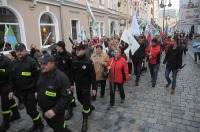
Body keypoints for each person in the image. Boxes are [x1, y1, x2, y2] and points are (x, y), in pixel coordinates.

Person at [8, 43, 44, 132]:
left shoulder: (32, 62)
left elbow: (39, 78)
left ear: (25, 51)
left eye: (21, 50)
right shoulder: (13, 63)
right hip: (21, 91)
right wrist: (11, 90)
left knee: (31, 110)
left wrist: (37, 91)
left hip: (31, 91)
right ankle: (36, 124)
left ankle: (40, 125)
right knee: (29, 110)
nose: (19, 52)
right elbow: (11, 78)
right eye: (17, 51)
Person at [36, 54, 73, 132]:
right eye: (41, 64)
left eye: (45, 64)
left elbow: (67, 97)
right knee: (51, 125)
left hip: (55, 111)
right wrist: (37, 93)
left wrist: (54, 110)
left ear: (52, 63)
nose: (42, 66)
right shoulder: (42, 73)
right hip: (44, 108)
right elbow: (40, 85)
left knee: (58, 129)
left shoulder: (61, 78)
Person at [70, 44, 97, 132]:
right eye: (76, 50)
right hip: (78, 85)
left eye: (79, 50)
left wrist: (94, 88)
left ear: (84, 50)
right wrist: (71, 84)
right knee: (79, 99)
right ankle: (89, 106)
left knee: (85, 104)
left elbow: (93, 76)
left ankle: (85, 120)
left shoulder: (88, 62)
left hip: (86, 86)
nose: (77, 51)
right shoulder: (74, 60)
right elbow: (72, 73)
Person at [55, 41, 76, 120]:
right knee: (61, 95)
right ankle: (69, 104)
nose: (56, 48)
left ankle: (70, 112)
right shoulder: (57, 55)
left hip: (67, 79)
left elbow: (72, 71)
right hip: (59, 79)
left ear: (61, 47)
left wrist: (71, 83)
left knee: (69, 94)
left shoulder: (69, 56)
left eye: (57, 46)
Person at [0, 53, 20, 132]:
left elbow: (11, 75)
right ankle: (16, 114)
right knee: (10, 100)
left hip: (7, 85)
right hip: (0, 84)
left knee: (5, 103)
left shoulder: (6, 61)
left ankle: (6, 122)